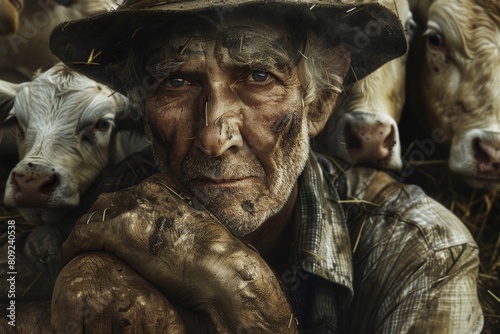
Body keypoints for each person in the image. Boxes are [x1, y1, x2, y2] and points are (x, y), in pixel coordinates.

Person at [3, 0, 483, 332]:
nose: (214, 137)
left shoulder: (423, 251)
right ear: (144, 112)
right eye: (177, 80)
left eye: (258, 76)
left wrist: (242, 298)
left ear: (319, 103)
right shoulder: (98, 212)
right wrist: (51, 318)